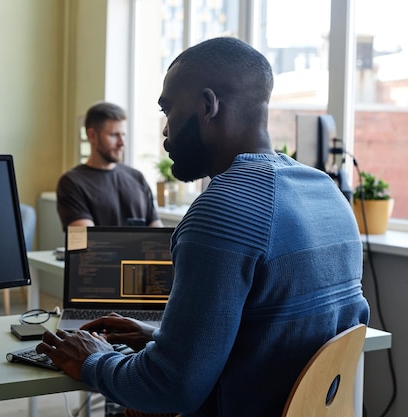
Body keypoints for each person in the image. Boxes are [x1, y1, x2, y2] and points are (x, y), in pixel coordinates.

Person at [37, 37, 369, 417]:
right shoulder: (327, 192)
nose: (165, 130)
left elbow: (170, 388)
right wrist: (163, 340)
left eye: (168, 109)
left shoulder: (222, 211)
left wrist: (94, 359)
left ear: (208, 106)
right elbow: (274, 338)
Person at [56, 101, 163, 228]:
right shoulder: (72, 182)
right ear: (92, 136)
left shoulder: (137, 177)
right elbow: (86, 242)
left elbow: (156, 232)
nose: (121, 143)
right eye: (114, 135)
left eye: (123, 135)